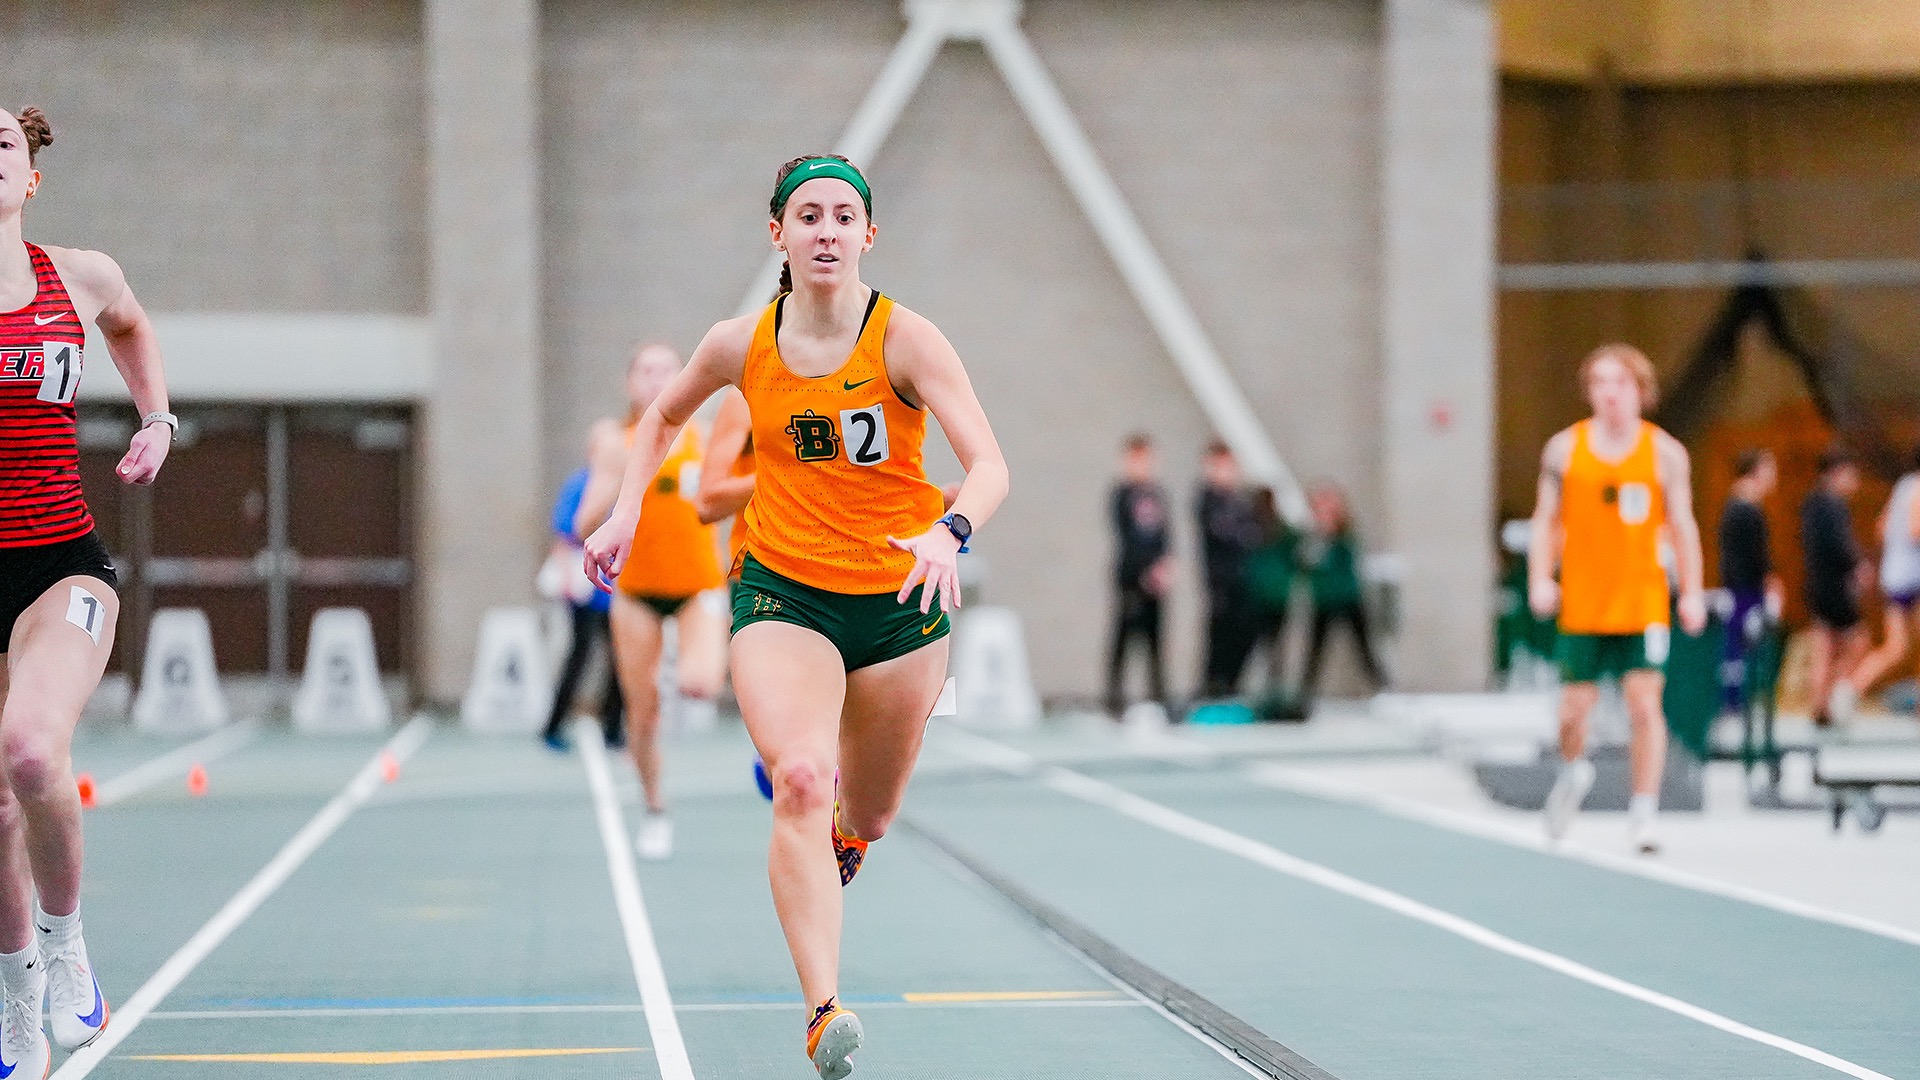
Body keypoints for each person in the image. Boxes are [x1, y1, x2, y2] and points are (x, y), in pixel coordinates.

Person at [582, 155, 1008, 1079]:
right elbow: (660, 420)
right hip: (785, 592)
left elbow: (990, 465)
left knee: (872, 813)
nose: (826, 230)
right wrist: (623, 512)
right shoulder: (740, 343)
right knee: (802, 778)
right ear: (777, 233)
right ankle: (823, 1010)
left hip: (900, 600)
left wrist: (951, 532)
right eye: (808, 215)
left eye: (843, 216)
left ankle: (848, 834)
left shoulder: (907, 340)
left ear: (868, 235)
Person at [0, 107, 176, 1073]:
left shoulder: (80, 275)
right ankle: (17, 994)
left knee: (32, 750)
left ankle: (67, 948)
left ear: (30, 178)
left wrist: (157, 418)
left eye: (2, 144)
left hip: (57, 562)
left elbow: (132, 324)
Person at [1529, 343, 1706, 855]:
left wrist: (1692, 591)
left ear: (1641, 391)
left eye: (1621, 382)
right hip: (1584, 599)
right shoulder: (1564, 450)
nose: (1610, 393)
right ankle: (1572, 773)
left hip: (1641, 598)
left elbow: (1683, 524)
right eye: (1600, 383)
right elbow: (1546, 521)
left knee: (1644, 705)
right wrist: (1541, 578)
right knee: (1573, 710)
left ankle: (1643, 813)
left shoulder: (1664, 453)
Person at [576, 344, 728, 861]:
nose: (656, 378)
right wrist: (622, 477)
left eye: (667, 370)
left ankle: (677, 663)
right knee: (642, 712)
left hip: (698, 586)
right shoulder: (616, 443)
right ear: (630, 383)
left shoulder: (705, 438)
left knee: (700, 684)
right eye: (646, 370)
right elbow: (583, 524)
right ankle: (655, 806)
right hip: (638, 592)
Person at [537, 465, 625, 752]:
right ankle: (553, 725)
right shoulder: (579, 485)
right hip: (586, 589)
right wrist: (566, 578)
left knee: (621, 659)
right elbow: (565, 536)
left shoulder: (627, 485)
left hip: (615, 591)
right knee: (579, 655)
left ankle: (613, 727)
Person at [1838, 443, 1920, 718]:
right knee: (1900, 647)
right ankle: (1850, 689)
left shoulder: (1903, 486)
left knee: (1898, 648)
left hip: (1896, 577)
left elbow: (1881, 528)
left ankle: (1850, 689)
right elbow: (1915, 529)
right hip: (1911, 580)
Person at [1801, 447, 1869, 727]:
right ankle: (1836, 695)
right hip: (1833, 586)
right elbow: (1838, 546)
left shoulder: (1812, 503)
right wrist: (1857, 566)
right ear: (1837, 473)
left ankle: (1820, 705)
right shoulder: (1832, 505)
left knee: (1824, 646)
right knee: (1856, 641)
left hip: (1816, 583)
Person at [1105, 434, 1172, 716]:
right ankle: (1114, 700)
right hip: (1131, 580)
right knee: (1123, 639)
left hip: (1156, 582)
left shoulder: (1157, 494)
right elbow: (1127, 538)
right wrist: (1144, 571)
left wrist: (1164, 566)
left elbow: (1165, 535)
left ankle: (1159, 697)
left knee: (1156, 641)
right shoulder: (1121, 495)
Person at [1299, 484, 1385, 698]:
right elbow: (1307, 564)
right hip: (1324, 600)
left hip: (1348, 598)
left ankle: (1382, 685)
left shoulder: (1346, 536)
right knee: (1316, 649)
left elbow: (1344, 564)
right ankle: (1306, 691)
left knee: (1364, 646)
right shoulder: (1312, 536)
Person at [1717, 449, 1783, 713]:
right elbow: (1755, 554)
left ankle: (1737, 698)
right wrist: (1769, 581)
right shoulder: (1744, 510)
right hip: (1744, 589)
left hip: (1742, 586)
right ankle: (1733, 699)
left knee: (1739, 644)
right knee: (1739, 645)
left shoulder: (1741, 507)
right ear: (1756, 470)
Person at [1197, 441, 1261, 698]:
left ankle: (1231, 685)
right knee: (1219, 638)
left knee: (1245, 633)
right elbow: (1228, 534)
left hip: (1243, 580)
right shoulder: (1207, 499)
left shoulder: (1239, 500)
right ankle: (1214, 688)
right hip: (1221, 582)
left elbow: (1253, 535)